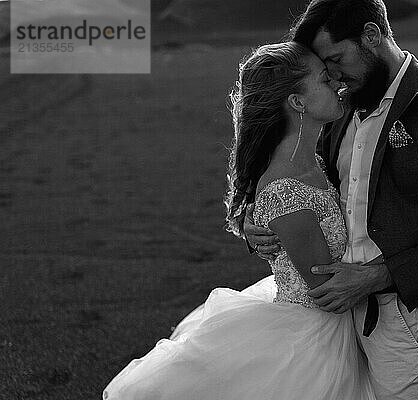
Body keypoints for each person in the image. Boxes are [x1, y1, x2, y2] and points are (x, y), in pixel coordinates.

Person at [243, 1, 418, 399]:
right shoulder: (342, 106)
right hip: (331, 318)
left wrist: (377, 275)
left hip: (396, 311)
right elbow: (303, 185)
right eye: (325, 70)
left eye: (336, 59)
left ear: (371, 36)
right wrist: (258, 222)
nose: (334, 76)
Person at [102, 41, 377, 399]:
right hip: (315, 339)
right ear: (297, 102)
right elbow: (326, 288)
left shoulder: (312, 160)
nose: (338, 85)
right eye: (325, 80)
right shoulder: (286, 191)